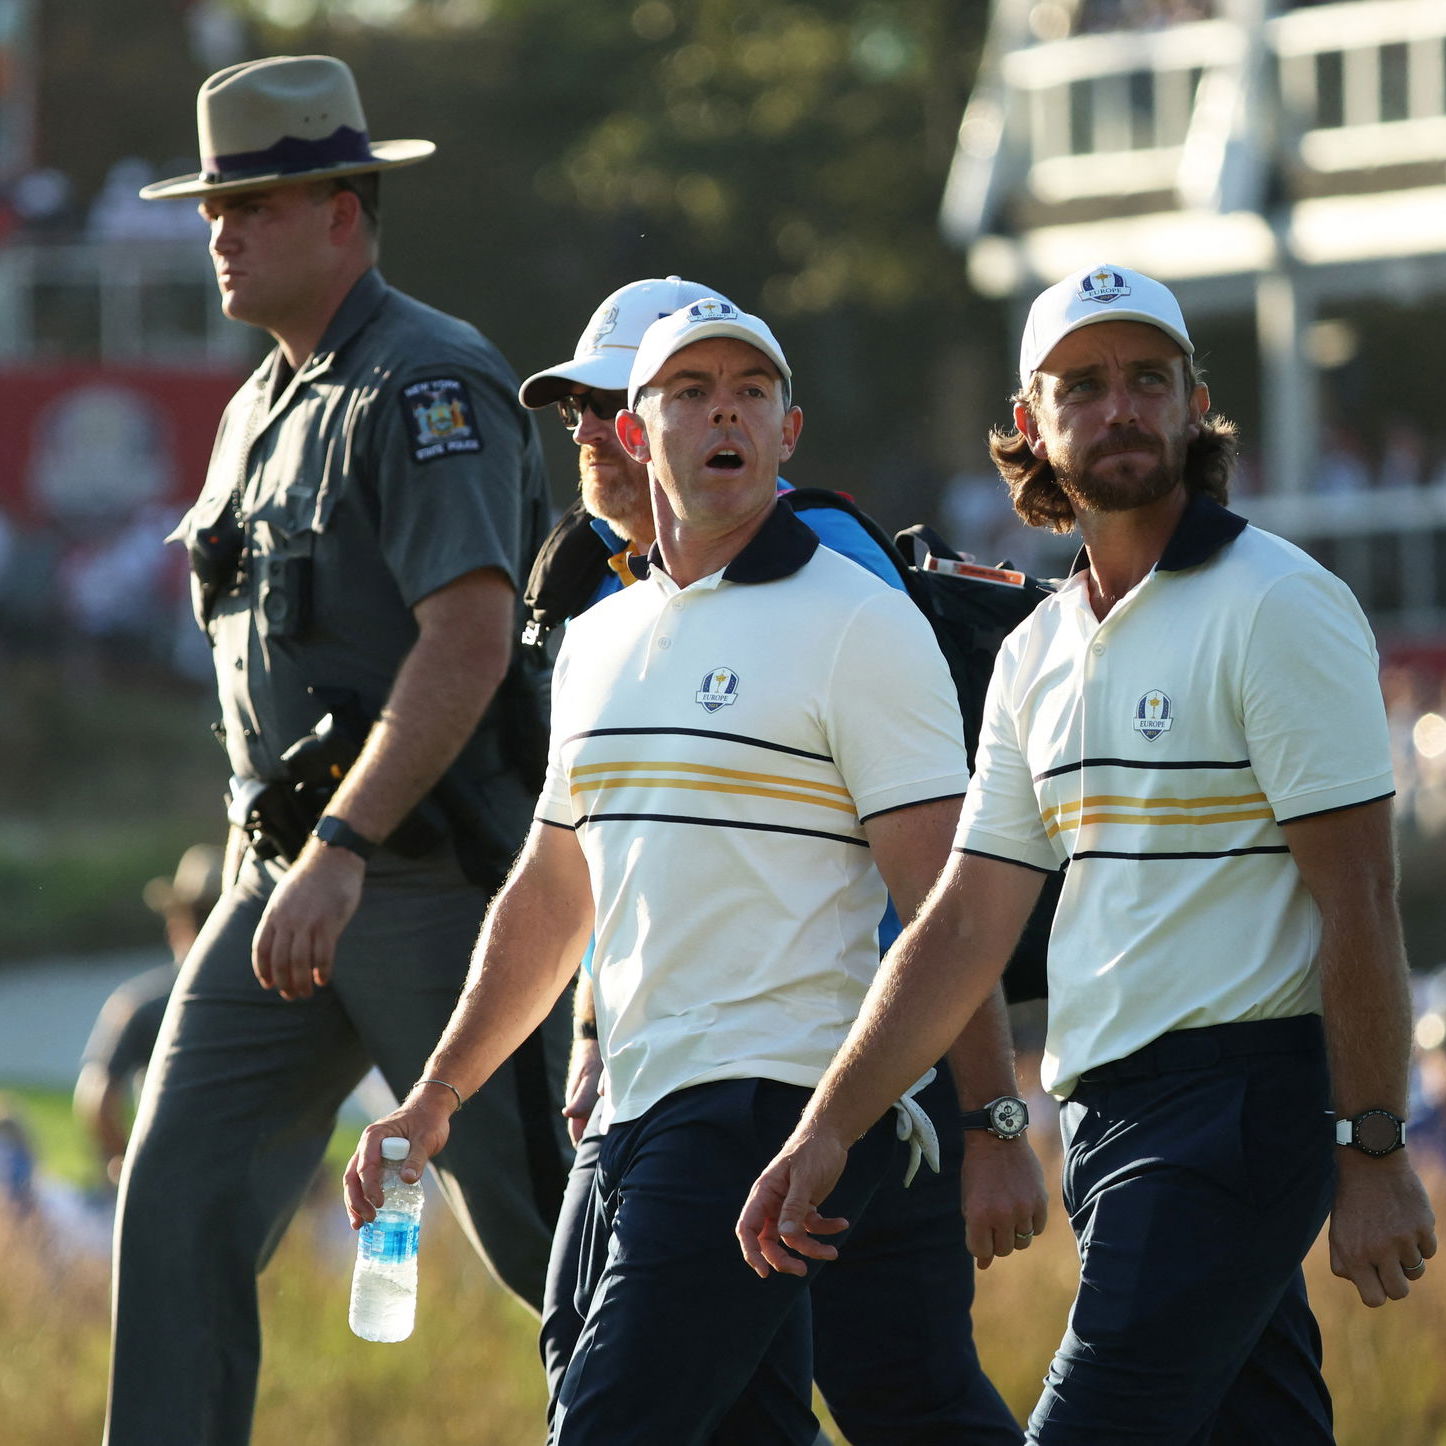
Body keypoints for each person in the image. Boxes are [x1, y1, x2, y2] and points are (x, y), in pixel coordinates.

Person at [738, 262, 1439, 1444]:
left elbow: (1360, 904)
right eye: (1085, 385)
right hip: (1109, 1121)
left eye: (1148, 381)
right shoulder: (1035, 653)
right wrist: (830, 1124)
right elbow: (962, 923)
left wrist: (1373, 1148)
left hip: (1238, 1113)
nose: (1120, 408)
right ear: (1031, 424)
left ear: (1192, 404)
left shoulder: (1281, 604)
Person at [346, 298, 1041, 1444]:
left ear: (787, 431)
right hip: (636, 1104)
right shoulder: (597, 639)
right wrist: (433, 1099)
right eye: (688, 393)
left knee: (612, 1421)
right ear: (636, 434)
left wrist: (993, 1124)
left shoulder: (861, 623)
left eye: (749, 393)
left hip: (779, 1099)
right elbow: (555, 895)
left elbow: (948, 909)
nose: (723, 412)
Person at [107, 55, 570, 1446]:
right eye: (212, 208)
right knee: (175, 1204)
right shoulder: (257, 408)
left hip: (421, 877)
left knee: (557, 1238)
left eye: (255, 202)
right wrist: (294, 857)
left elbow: (470, 641)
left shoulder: (424, 378)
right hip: (286, 883)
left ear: (345, 214)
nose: (222, 233)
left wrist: (345, 846)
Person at [74, 843, 225, 1187]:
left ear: (178, 922)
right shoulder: (272, 1001)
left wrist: (126, 1164)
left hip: (168, 1175)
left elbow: (96, 1096)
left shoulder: (144, 1004)